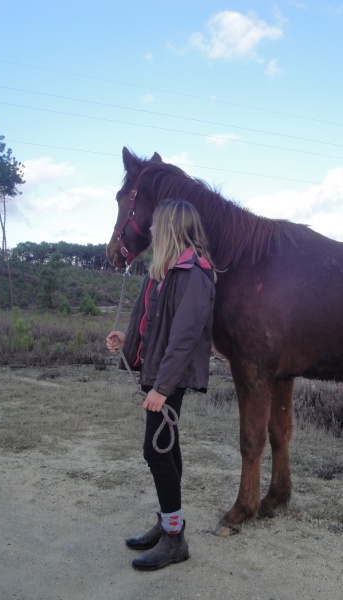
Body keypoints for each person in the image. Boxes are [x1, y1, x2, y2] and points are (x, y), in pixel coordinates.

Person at [106, 200, 216, 571]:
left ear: (171, 228)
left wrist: (162, 389)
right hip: (158, 373)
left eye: (156, 226)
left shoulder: (194, 274)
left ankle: (175, 540)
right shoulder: (163, 271)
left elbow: (184, 340)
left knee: (155, 452)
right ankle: (170, 522)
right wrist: (127, 340)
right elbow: (152, 324)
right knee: (167, 450)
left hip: (171, 379)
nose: (150, 231)